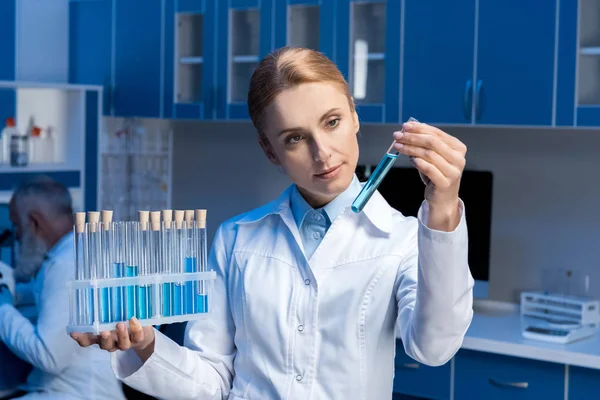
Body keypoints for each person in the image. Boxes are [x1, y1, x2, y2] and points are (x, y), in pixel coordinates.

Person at [72, 46, 474, 400]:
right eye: (295, 139)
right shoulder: (236, 238)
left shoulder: (403, 240)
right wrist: (144, 344)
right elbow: (212, 382)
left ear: (353, 114)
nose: (323, 153)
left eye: (331, 121)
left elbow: (434, 347)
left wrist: (442, 208)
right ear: (270, 151)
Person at [0, 177, 126, 399]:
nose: (17, 237)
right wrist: (14, 295)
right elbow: (51, 296)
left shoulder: (65, 265)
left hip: (78, 393)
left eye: (17, 226)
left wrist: (3, 310)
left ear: (34, 222)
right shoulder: (78, 250)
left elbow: (49, 356)